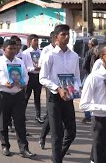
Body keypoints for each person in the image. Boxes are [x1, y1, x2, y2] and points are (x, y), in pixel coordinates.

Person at [0, 39, 35, 158]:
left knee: (20, 122)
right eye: (10, 48)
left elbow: (25, 76)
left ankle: (24, 148)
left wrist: (23, 82)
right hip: (3, 95)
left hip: (18, 95)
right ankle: (5, 146)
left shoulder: (20, 62)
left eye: (15, 48)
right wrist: (4, 83)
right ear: (4, 49)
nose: (13, 51)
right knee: (3, 121)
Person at [39, 24, 80, 163]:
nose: (66, 37)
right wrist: (57, 88)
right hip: (54, 97)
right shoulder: (49, 55)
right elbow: (43, 78)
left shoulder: (74, 56)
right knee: (57, 134)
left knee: (72, 132)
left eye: (68, 34)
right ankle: (57, 160)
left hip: (68, 96)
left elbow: (77, 77)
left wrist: (77, 89)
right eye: (63, 34)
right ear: (56, 38)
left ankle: (57, 156)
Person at [38, 31, 55, 149]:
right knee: (51, 115)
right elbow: (40, 64)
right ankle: (43, 137)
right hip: (50, 86)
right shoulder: (46, 50)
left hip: (64, 88)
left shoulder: (68, 52)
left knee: (62, 117)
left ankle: (59, 143)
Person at [22, 34, 44, 124]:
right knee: (26, 96)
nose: (36, 42)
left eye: (37, 40)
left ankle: (38, 115)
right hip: (30, 75)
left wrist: (40, 67)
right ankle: (22, 114)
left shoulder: (41, 52)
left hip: (38, 76)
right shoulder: (25, 53)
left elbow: (43, 63)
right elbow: (24, 66)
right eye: (34, 40)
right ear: (30, 41)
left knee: (37, 97)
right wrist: (32, 69)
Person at [82, 37, 99, 123]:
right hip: (99, 76)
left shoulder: (89, 52)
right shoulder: (101, 51)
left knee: (86, 94)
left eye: (89, 44)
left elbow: (84, 65)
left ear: (91, 44)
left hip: (89, 75)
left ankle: (87, 115)